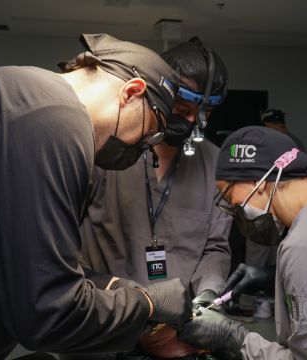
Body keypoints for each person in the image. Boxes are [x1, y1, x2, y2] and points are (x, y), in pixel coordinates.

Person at [0, 33, 193, 359]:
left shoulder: (22, 91)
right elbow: (48, 315)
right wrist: (149, 302)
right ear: (132, 92)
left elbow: (28, 264)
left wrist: (122, 288)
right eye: (150, 132)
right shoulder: (58, 120)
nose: (142, 147)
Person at [73, 38, 232, 359]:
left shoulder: (215, 166)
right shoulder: (110, 151)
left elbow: (216, 246)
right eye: (183, 109)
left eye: (204, 114)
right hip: (103, 321)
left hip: (175, 331)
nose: (191, 122)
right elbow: (63, 238)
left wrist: (207, 296)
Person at [179, 126, 307, 359]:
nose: (233, 208)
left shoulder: (306, 247)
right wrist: (273, 277)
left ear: (257, 182)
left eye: (229, 197)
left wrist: (234, 338)